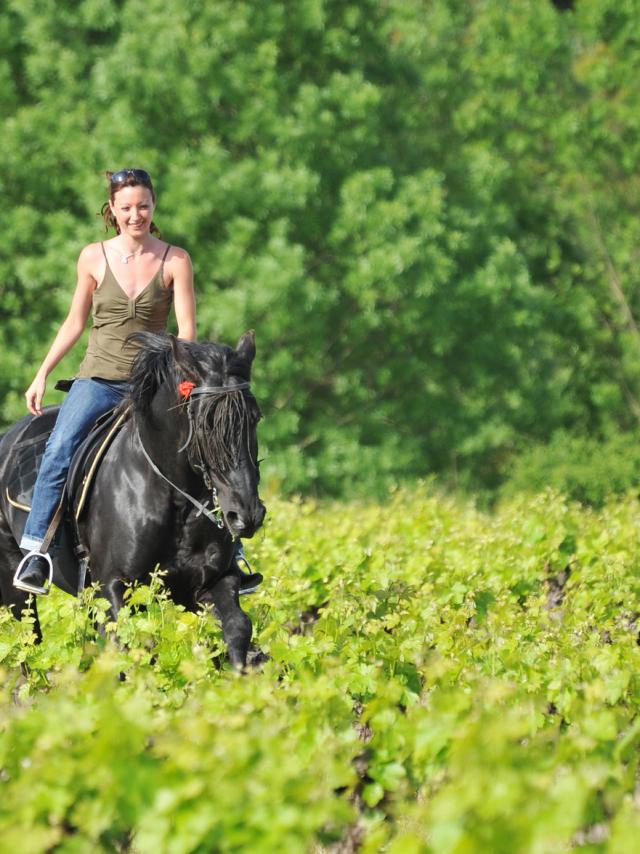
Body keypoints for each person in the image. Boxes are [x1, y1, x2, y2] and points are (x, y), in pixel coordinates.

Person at [14, 168, 261, 596]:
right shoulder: (93, 257)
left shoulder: (175, 260)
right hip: (99, 379)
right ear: (112, 209)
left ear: (153, 206)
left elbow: (186, 333)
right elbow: (75, 322)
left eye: (143, 206)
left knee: (206, 446)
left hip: (155, 384)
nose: (135, 215)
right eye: (126, 207)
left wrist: (186, 384)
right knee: (59, 448)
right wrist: (42, 373)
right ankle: (37, 550)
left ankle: (231, 551)